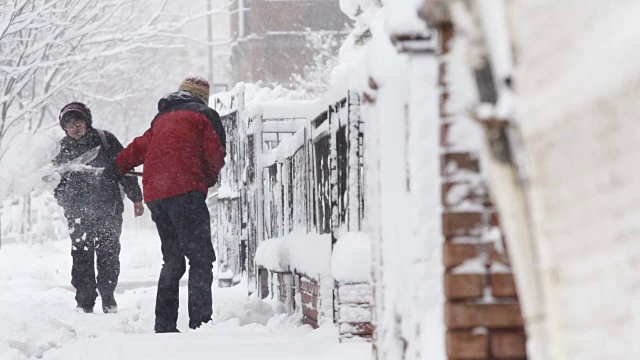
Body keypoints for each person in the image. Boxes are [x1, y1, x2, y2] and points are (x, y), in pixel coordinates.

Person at [111, 77, 226, 332]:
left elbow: (139, 147)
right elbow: (215, 155)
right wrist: (207, 177)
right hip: (185, 192)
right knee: (201, 258)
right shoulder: (205, 115)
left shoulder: (161, 119)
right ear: (202, 97)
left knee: (173, 259)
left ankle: (164, 324)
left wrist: (117, 167)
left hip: (157, 195)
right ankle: (200, 322)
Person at [53, 102, 144, 314]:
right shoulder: (60, 148)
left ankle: (108, 296)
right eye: (69, 124)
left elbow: (125, 169)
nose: (75, 128)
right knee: (81, 256)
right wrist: (60, 197)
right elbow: (53, 181)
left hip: (108, 208)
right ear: (64, 128)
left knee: (109, 253)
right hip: (77, 213)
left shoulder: (105, 140)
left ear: (87, 122)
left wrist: (136, 198)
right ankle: (84, 301)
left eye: (79, 122)